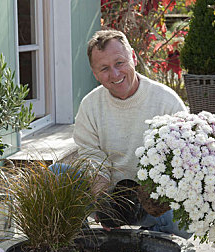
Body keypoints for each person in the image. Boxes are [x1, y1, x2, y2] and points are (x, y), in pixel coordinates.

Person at [73, 29, 191, 239]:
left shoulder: (167, 102)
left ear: (133, 58)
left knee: (183, 221)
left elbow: (183, 161)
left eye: (120, 63)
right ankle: (85, 242)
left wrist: (147, 199)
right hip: (106, 195)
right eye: (104, 68)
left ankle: (146, 242)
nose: (115, 74)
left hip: (153, 201)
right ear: (94, 73)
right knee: (59, 173)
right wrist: (104, 206)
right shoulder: (89, 106)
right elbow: (91, 158)